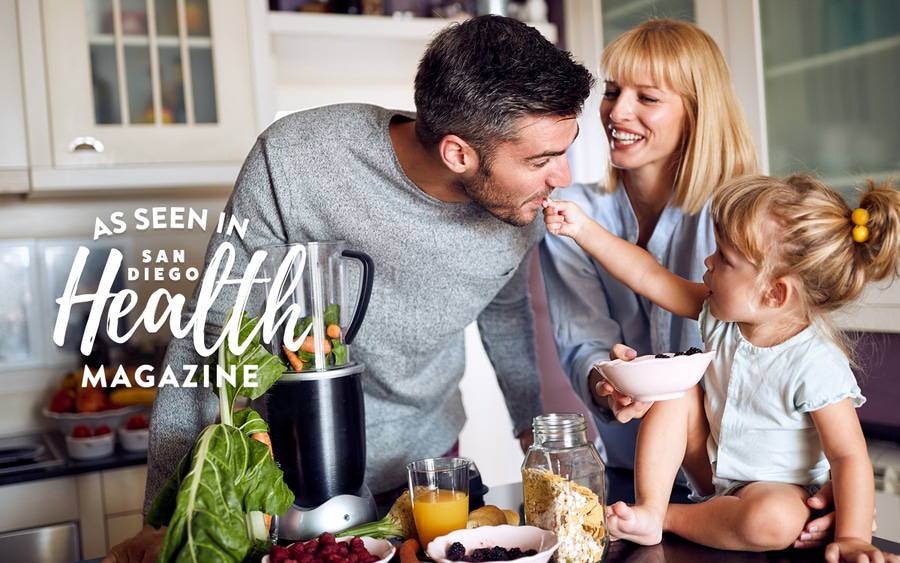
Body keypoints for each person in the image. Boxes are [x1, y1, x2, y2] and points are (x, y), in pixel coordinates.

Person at [103, 15, 593, 562]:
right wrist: (166, 519)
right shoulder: (298, 161)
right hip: (289, 479)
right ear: (459, 153)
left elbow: (502, 308)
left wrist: (532, 427)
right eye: (542, 160)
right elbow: (209, 334)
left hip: (427, 470)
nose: (563, 177)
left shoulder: (517, 206)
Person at [538, 18, 844, 546]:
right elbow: (584, 339)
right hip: (632, 483)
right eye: (612, 91)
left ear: (695, 113)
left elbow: (796, 347)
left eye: (647, 97)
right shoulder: (575, 215)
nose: (617, 111)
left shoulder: (745, 221)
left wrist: (836, 488)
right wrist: (606, 383)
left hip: (755, 485)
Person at [544, 174, 900, 561]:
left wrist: (852, 536)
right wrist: (584, 230)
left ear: (774, 293)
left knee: (776, 519)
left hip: (781, 491)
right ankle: (650, 507)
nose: (708, 260)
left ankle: (667, 518)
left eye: (725, 258)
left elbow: (848, 456)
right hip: (711, 470)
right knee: (675, 384)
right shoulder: (720, 314)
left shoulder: (815, 362)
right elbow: (648, 275)